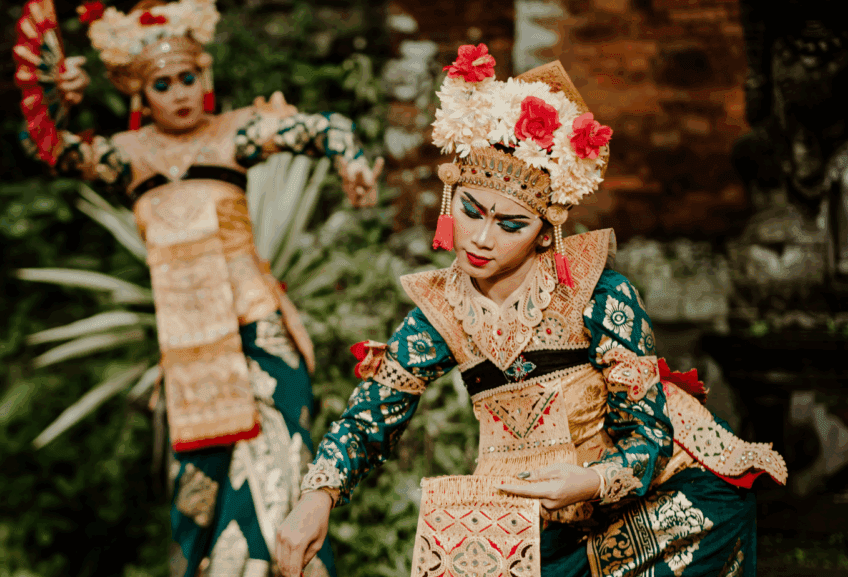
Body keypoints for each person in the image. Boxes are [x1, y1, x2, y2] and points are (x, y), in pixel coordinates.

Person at [275, 45, 787, 577]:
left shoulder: (600, 296)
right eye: (471, 211)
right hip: (543, 515)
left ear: (546, 233)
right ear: (452, 199)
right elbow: (372, 413)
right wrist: (318, 497)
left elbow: (648, 438)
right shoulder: (442, 311)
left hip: (660, 495)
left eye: (510, 225)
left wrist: (590, 480)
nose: (481, 238)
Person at [13, 0, 384, 575]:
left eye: (188, 78)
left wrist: (352, 161)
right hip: (189, 357)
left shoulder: (234, 134)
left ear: (204, 78)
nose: (179, 93)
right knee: (198, 504)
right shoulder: (126, 155)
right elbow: (45, 147)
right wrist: (60, 99)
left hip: (258, 333)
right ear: (141, 93)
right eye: (162, 84)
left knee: (278, 482)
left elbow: (325, 127)